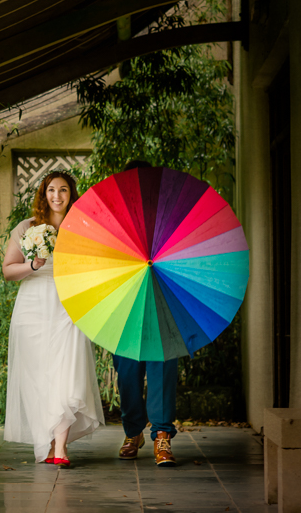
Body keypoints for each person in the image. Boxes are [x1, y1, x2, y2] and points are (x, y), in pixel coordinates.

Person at [2, 169, 105, 467]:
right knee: (39, 378)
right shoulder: (27, 227)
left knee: (67, 375)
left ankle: (60, 449)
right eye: (51, 190)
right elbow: (8, 270)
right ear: (43, 194)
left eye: (63, 190)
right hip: (33, 306)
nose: (57, 196)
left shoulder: (83, 228)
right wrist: (33, 265)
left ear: (71, 194)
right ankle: (45, 443)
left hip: (69, 305)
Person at [114, 159, 178, 466]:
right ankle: (133, 431)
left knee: (162, 370)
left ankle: (162, 435)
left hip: (163, 301)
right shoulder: (112, 218)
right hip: (125, 304)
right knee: (127, 373)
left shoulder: (168, 213)